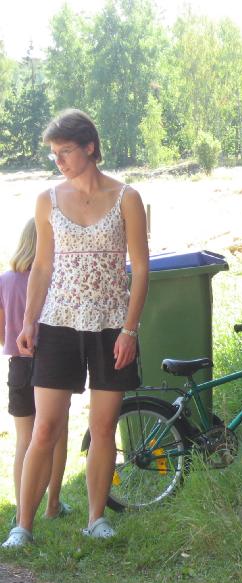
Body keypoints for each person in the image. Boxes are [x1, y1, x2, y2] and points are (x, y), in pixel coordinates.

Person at [2, 108, 149, 548]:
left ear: (90, 147)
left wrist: (130, 330)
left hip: (110, 326)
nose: (59, 161)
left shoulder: (126, 197)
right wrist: (28, 322)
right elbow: (42, 266)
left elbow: (141, 269)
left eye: (65, 151)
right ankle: (22, 527)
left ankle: (96, 518)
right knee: (45, 428)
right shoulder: (47, 199)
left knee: (103, 428)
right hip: (58, 324)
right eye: (54, 154)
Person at [1, 219, 71, 526]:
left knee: (24, 440)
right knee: (58, 434)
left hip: (18, 364)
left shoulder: (5, 280)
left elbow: (2, 332)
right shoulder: (54, 278)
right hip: (51, 364)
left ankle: (22, 512)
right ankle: (52, 504)